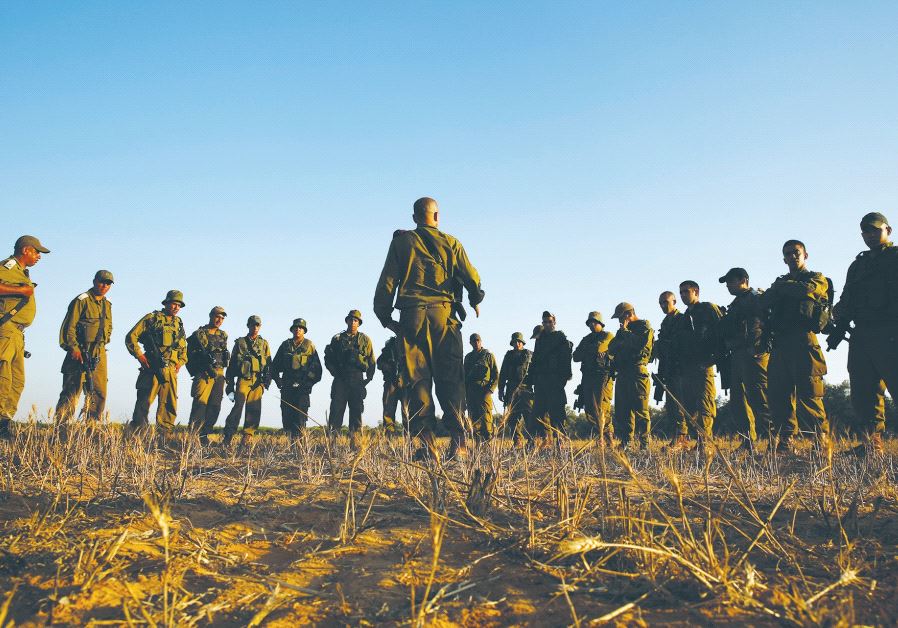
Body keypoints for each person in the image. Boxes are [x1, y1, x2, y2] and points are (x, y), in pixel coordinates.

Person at [373, 197, 485, 460]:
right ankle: (459, 444)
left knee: (416, 381)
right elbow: (471, 277)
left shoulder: (401, 242)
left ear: (414, 218)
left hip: (411, 318)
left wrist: (386, 318)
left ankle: (427, 445)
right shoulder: (452, 243)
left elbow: (387, 282)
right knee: (451, 379)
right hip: (444, 318)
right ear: (437, 216)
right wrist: (475, 298)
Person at [830, 212, 898, 456]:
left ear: (888, 230)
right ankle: (872, 444)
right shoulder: (858, 265)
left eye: (875, 230)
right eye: (865, 232)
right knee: (863, 392)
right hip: (862, 334)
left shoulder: (895, 257)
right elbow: (847, 296)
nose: (869, 235)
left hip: (891, 331)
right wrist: (839, 312)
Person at [760, 240, 830, 451]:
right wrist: (783, 288)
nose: (792, 256)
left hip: (804, 341)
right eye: (788, 254)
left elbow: (809, 290)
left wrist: (782, 288)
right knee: (779, 394)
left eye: (796, 252)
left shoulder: (816, 277)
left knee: (810, 392)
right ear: (784, 259)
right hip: (780, 343)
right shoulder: (780, 282)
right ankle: (786, 439)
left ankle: (819, 440)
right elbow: (763, 302)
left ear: (805, 255)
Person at [0, 235, 49, 438]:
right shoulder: (9, 266)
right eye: (37, 252)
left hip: (18, 333)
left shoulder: (21, 272)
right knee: (3, 377)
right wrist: (21, 290)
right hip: (7, 329)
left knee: (17, 381)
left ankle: (4, 422)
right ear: (26, 250)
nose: (39, 256)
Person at [718, 268, 771, 451]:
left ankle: (773, 438)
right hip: (737, 355)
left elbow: (767, 323)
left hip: (754, 355)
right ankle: (747, 440)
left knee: (760, 396)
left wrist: (758, 347)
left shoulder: (757, 298)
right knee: (738, 401)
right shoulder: (735, 304)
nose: (728, 285)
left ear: (744, 280)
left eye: (731, 281)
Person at [54, 270, 114, 424]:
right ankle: (61, 426)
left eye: (108, 284)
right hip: (80, 350)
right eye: (102, 282)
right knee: (72, 390)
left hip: (99, 352)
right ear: (94, 281)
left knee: (98, 391)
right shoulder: (82, 300)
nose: (104, 286)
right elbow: (69, 327)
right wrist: (73, 348)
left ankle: (91, 427)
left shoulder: (107, 304)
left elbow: (108, 327)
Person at [669, 281, 723, 448]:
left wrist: (712, 359)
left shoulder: (708, 309)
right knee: (690, 407)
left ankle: (705, 443)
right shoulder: (685, 317)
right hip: (688, 368)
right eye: (681, 292)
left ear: (696, 292)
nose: (683, 295)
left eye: (686, 291)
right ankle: (698, 440)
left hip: (704, 365)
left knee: (705, 405)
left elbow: (721, 333)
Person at [126, 290, 187, 435]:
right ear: (166, 303)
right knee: (144, 402)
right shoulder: (152, 318)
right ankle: (137, 435)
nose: (176, 307)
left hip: (171, 370)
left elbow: (183, 347)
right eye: (174, 304)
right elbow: (131, 336)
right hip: (152, 367)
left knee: (169, 404)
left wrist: (180, 362)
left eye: (179, 305)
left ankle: (165, 436)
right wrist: (140, 356)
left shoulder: (178, 323)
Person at [607, 303, 653, 448]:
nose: (619, 321)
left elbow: (639, 345)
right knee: (623, 410)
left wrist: (625, 332)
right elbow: (611, 348)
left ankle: (644, 445)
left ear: (628, 314)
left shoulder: (644, 327)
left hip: (637, 372)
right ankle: (626, 441)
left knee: (641, 410)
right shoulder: (622, 331)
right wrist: (623, 334)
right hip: (623, 372)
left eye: (620, 317)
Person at [324, 309, 375, 440]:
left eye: (356, 320)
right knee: (336, 411)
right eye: (351, 320)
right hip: (340, 379)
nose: (353, 322)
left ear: (359, 323)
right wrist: (334, 372)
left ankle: (356, 443)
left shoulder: (365, 340)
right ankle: (332, 443)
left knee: (356, 413)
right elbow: (328, 358)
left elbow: (371, 360)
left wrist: (368, 379)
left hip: (357, 379)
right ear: (347, 321)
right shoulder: (337, 339)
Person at [223, 315, 271, 446]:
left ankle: (247, 438)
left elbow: (269, 364)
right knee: (237, 407)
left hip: (258, 381)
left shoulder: (264, 344)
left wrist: (265, 382)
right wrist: (230, 383)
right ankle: (228, 436)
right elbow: (232, 364)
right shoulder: (240, 342)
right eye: (253, 325)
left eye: (257, 325)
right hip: (243, 379)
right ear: (248, 325)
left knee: (254, 409)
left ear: (260, 327)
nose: (255, 327)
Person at [271, 317, 322, 439]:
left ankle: (300, 445)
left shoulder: (310, 346)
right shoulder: (285, 345)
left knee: (300, 418)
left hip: (303, 388)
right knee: (287, 418)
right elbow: (274, 366)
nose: (298, 329)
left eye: (301, 328)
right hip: (287, 386)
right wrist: (278, 380)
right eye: (296, 327)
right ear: (292, 330)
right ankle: (290, 444)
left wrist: (309, 384)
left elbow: (318, 370)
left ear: (304, 330)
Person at [525, 311, 573, 439]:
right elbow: (535, 360)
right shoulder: (540, 340)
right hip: (540, 382)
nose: (547, 324)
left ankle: (560, 443)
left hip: (555, 382)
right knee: (537, 415)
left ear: (554, 322)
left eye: (549, 321)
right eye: (544, 322)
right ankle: (540, 442)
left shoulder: (560, 338)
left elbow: (566, 361)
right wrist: (530, 379)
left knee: (557, 415)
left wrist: (561, 381)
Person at [186, 306, 230, 445]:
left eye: (222, 318)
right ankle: (193, 437)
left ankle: (204, 436)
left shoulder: (223, 335)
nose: (219, 320)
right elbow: (189, 357)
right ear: (211, 316)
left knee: (215, 406)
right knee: (200, 405)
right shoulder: (199, 334)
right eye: (217, 317)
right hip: (204, 373)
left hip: (219, 373)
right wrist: (200, 367)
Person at [572, 311, 615, 446]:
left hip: (603, 377)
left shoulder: (608, 335)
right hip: (588, 377)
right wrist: (591, 350)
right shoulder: (586, 339)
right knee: (590, 410)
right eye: (590, 322)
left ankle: (608, 440)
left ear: (600, 323)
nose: (592, 325)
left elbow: (599, 348)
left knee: (602, 408)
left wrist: (587, 351)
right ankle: (600, 437)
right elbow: (575, 356)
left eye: (594, 322)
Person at [652, 291, 684, 431]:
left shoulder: (681, 319)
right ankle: (677, 434)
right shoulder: (665, 322)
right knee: (670, 404)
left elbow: (681, 344)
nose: (663, 305)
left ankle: (682, 434)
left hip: (679, 368)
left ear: (674, 302)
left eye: (666, 302)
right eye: (661, 303)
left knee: (679, 402)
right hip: (667, 367)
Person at [498, 331, 533, 445]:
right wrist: (500, 390)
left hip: (526, 389)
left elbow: (536, 372)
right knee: (512, 418)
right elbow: (503, 374)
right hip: (511, 389)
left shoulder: (529, 354)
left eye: (519, 342)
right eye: (515, 342)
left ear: (522, 343)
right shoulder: (508, 356)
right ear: (512, 343)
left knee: (529, 416)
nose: (517, 344)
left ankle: (532, 441)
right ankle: (517, 441)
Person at [463, 333, 498, 441]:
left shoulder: (488, 355)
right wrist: (465, 393)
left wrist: (490, 390)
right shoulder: (468, 357)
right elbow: (464, 376)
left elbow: (496, 375)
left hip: (484, 391)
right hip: (471, 392)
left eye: (478, 340)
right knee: (474, 421)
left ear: (481, 341)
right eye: (474, 341)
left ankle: (488, 443)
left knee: (486, 419)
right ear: (470, 343)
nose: (476, 343)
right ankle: (478, 444)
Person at [376, 336, 409, 434]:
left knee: (407, 413)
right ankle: (389, 439)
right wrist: (386, 366)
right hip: (391, 382)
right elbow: (379, 362)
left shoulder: (411, 343)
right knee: (388, 413)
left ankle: (409, 439)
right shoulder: (390, 346)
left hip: (406, 383)